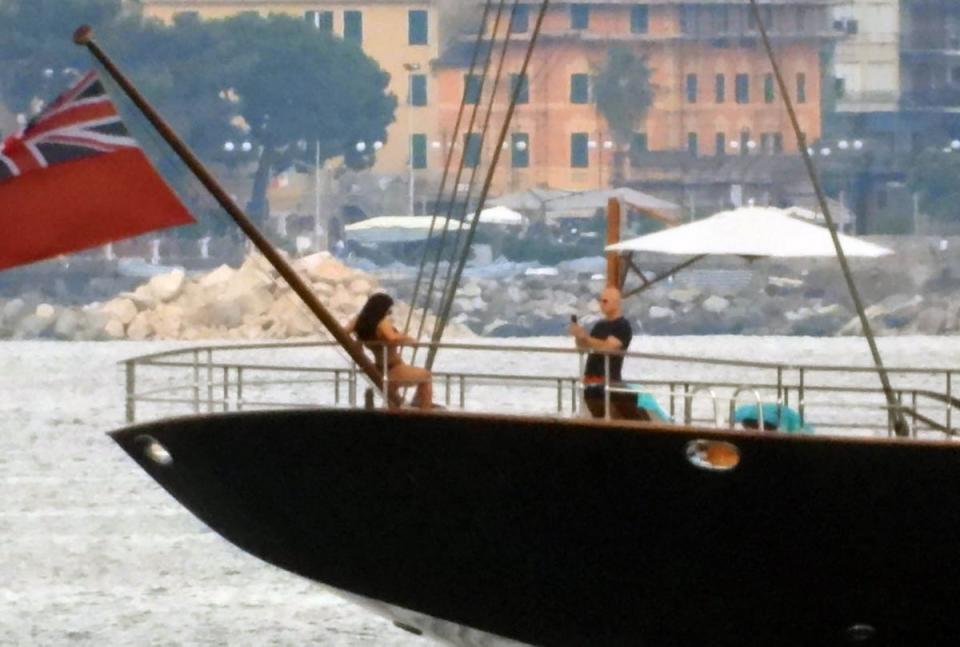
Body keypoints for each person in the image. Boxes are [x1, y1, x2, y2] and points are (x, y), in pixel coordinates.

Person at [568, 286, 647, 420]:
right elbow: (583, 347)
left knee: (614, 409)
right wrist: (579, 336)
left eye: (605, 301)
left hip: (609, 379)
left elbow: (610, 347)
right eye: (600, 301)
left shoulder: (622, 325)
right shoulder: (600, 325)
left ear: (616, 303)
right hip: (591, 380)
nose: (601, 304)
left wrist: (586, 338)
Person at [347, 292, 434, 409]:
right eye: (389, 309)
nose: (390, 312)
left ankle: (404, 410)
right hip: (392, 368)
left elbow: (343, 332)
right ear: (382, 308)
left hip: (378, 368)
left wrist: (358, 342)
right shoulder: (382, 322)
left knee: (395, 401)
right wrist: (408, 338)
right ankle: (425, 413)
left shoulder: (359, 321)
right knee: (426, 376)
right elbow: (392, 338)